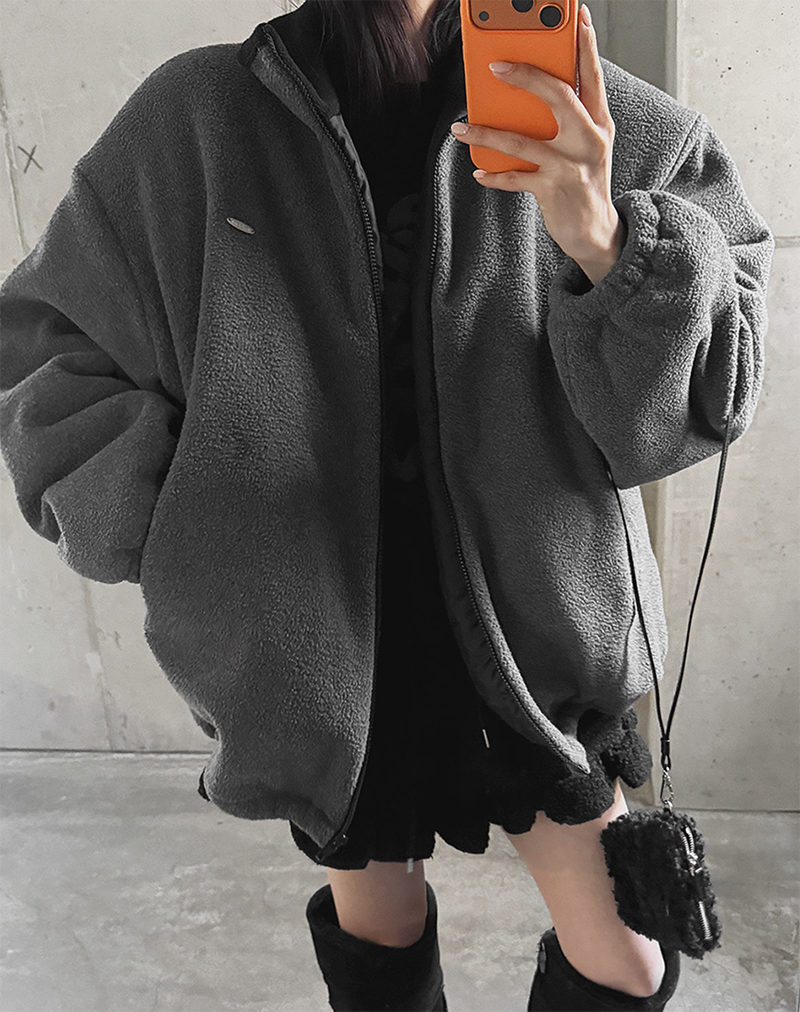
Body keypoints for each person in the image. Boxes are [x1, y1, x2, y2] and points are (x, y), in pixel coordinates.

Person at [0, 0, 774, 1010]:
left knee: (626, 960)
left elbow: (701, 400)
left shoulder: (599, 115)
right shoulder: (199, 118)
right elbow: (47, 349)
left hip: (531, 644)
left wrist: (601, 235)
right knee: (383, 936)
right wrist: (183, 527)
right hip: (316, 650)